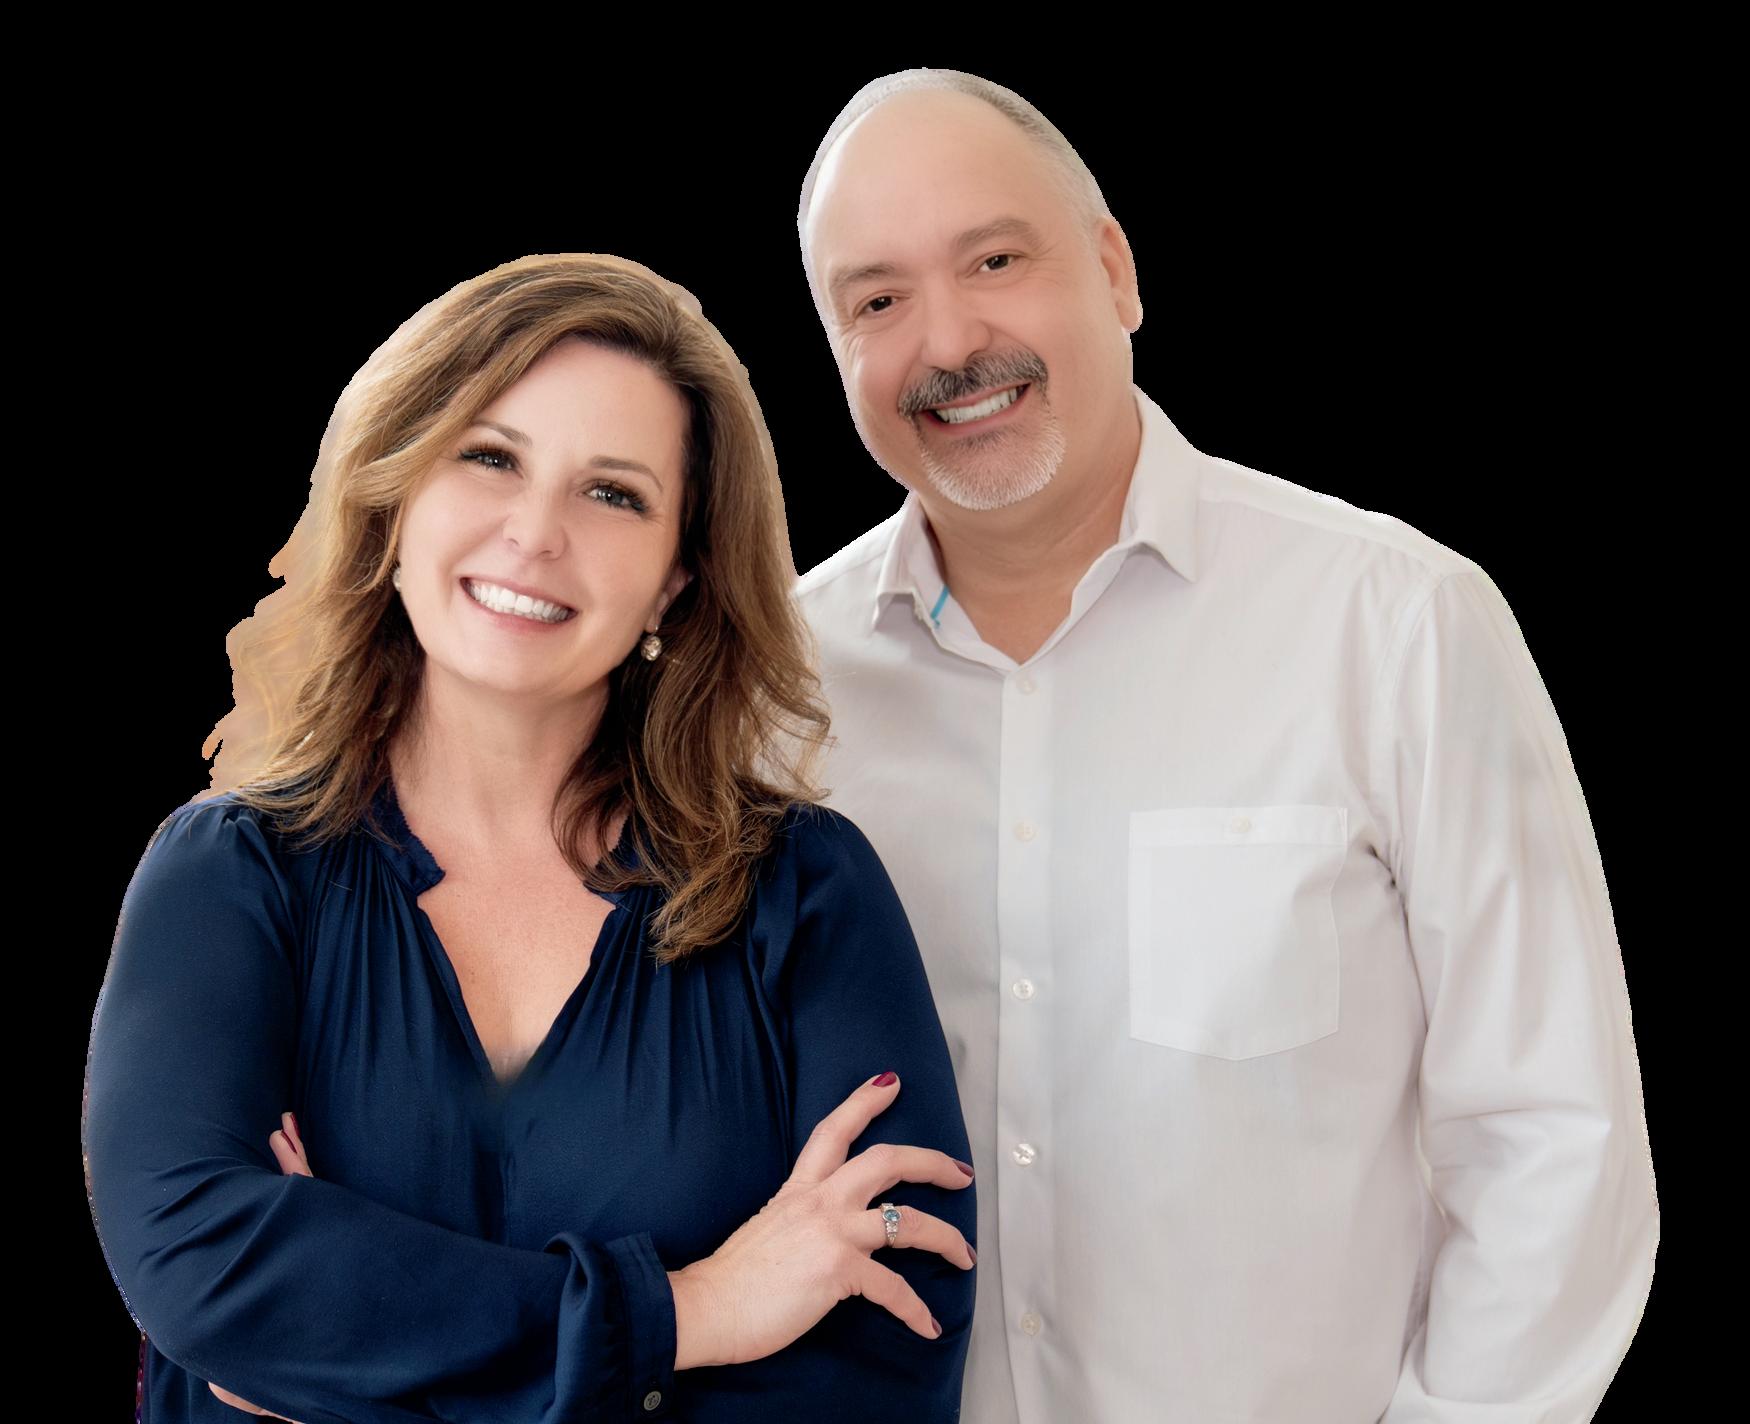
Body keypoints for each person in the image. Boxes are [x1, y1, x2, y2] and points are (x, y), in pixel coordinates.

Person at [790, 69, 1659, 1421]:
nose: (948, 339)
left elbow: (1552, 1135)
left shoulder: (1395, 622)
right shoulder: (774, 692)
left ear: (1113, 269)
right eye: (877, 300)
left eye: (995, 260)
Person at [82, 252, 977, 1423]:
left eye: (613, 493)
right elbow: (198, 1258)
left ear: (677, 577)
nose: (535, 532)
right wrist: (694, 1311)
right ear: (397, 493)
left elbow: (886, 1350)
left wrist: (349, 1361)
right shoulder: (225, 877)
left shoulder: (807, 892)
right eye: (490, 457)